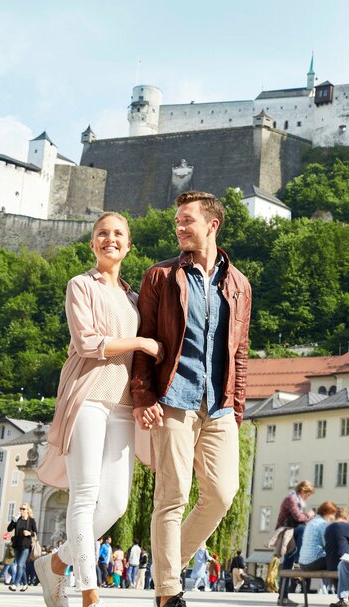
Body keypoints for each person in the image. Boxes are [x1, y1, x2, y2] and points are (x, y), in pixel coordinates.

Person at [34, 212, 163, 607]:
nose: (110, 239)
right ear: (93, 244)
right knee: (86, 495)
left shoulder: (134, 298)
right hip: (87, 395)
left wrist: (148, 398)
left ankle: (56, 564)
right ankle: (88, 590)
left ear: (129, 245)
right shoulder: (80, 285)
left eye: (118, 234)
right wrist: (140, 342)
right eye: (102, 234)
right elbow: (89, 342)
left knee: (115, 503)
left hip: (123, 404)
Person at [131, 190, 252, 607]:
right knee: (173, 494)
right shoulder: (161, 276)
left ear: (212, 225)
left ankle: (167, 566)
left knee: (221, 493)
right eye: (177, 222)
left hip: (218, 403)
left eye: (187, 221)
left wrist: (236, 406)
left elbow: (240, 350)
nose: (179, 228)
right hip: (174, 397)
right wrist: (144, 395)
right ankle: (168, 592)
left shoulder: (238, 284)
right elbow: (144, 339)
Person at [299, 501, 339, 572]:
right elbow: (328, 546)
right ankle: (340, 583)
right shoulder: (323, 524)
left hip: (302, 563)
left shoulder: (311, 522)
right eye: (332, 514)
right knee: (340, 563)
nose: (333, 517)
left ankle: (333, 583)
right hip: (313, 563)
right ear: (325, 512)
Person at [6, 504, 38, 591]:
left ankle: (15, 584)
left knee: (19, 564)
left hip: (26, 546)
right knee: (22, 566)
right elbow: (9, 529)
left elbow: (35, 533)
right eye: (21, 509)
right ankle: (25, 583)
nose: (22, 510)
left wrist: (29, 533)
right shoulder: (17, 520)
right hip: (17, 545)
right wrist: (13, 520)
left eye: (23, 509)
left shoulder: (31, 520)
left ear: (28, 510)